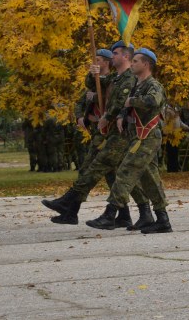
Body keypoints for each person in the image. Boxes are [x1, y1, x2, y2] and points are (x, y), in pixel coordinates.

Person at [42, 41, 149, 228]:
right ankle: (134, 213)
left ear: (125, 56)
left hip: (123, 133)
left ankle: (71, 203)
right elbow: (93, 85)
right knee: (117, 175)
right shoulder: (116, 78)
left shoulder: (129, 78)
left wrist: (106, 117)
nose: (112, 56)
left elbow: (121, 103)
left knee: (98, 167)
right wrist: (93, 73)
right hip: (112, 132)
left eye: (115, 53)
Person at [86, 48, 171, 233]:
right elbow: (125, 106)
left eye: (136, 61)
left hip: (147, 136)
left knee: (125, 171)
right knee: (149, 178)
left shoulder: (153, 85)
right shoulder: (137, 85)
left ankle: (110, 215)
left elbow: (152, 101)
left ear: (146, 64)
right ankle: (162, 220)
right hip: (137, 136)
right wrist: (122, 114)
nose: (132, 64)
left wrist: (131, 102)